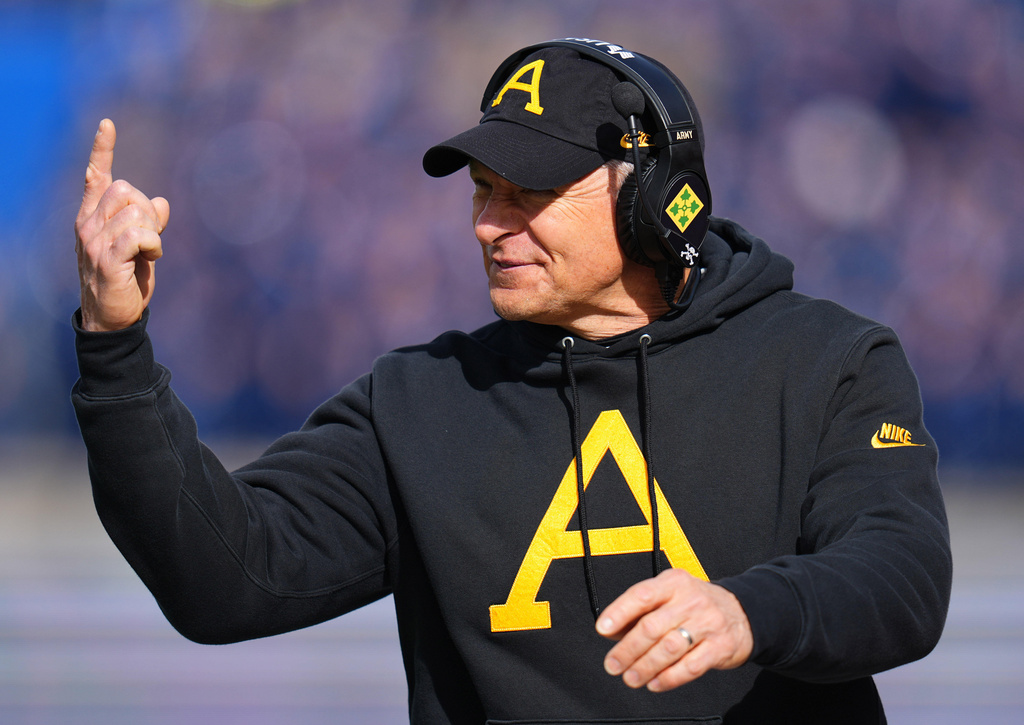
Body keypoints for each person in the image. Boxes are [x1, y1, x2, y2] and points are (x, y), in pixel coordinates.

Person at [72, 38, 951, 724]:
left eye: (527, 192)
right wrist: (115, 344)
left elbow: (902, 579)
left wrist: (750, 612)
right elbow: (225, 579)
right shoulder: (416, 401)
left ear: (652, 198)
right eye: (483, 191)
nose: (491, 226)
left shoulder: (830, 362)